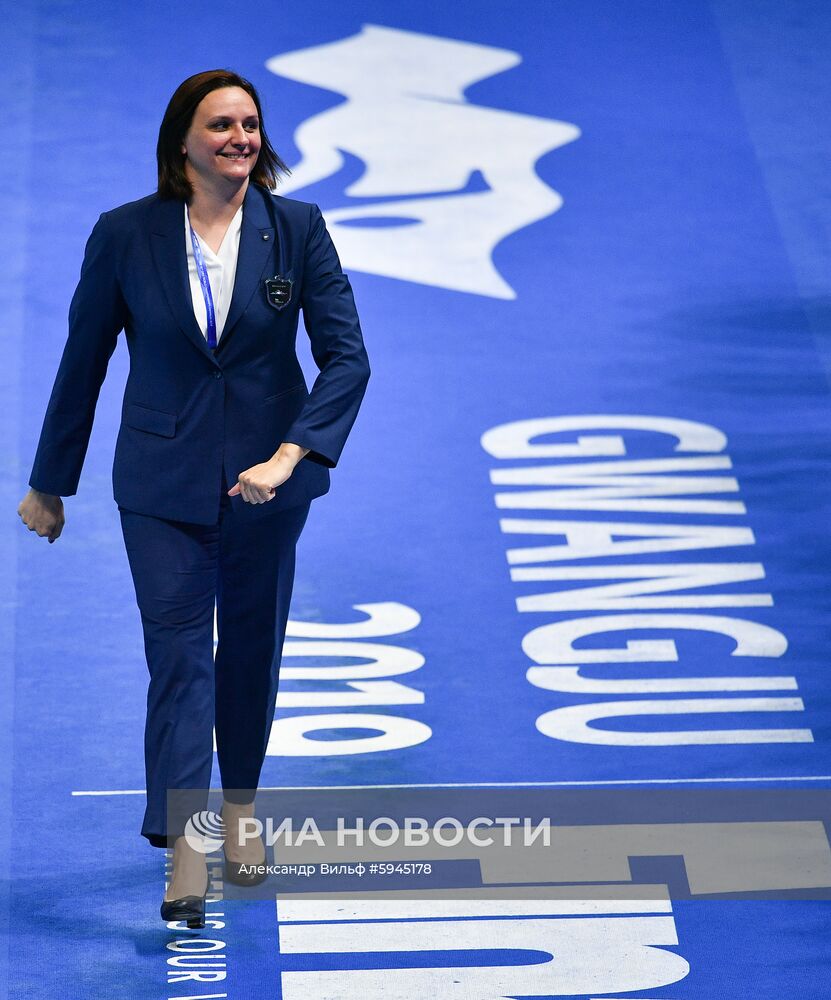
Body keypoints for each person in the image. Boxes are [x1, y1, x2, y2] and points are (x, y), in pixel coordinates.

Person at [16, 69, 370, 928]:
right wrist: (48, 483)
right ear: (183, 142)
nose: (240, 138)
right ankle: (185, 844)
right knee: (180, 659)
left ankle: (241, 812)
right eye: (221, 125)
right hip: (161, 485)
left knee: (250, 647)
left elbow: (346, 358)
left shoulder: (299, 229)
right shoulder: (125, 235)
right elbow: (84, 360)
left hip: (266, 486)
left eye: (250, 124)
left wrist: (290, 457)